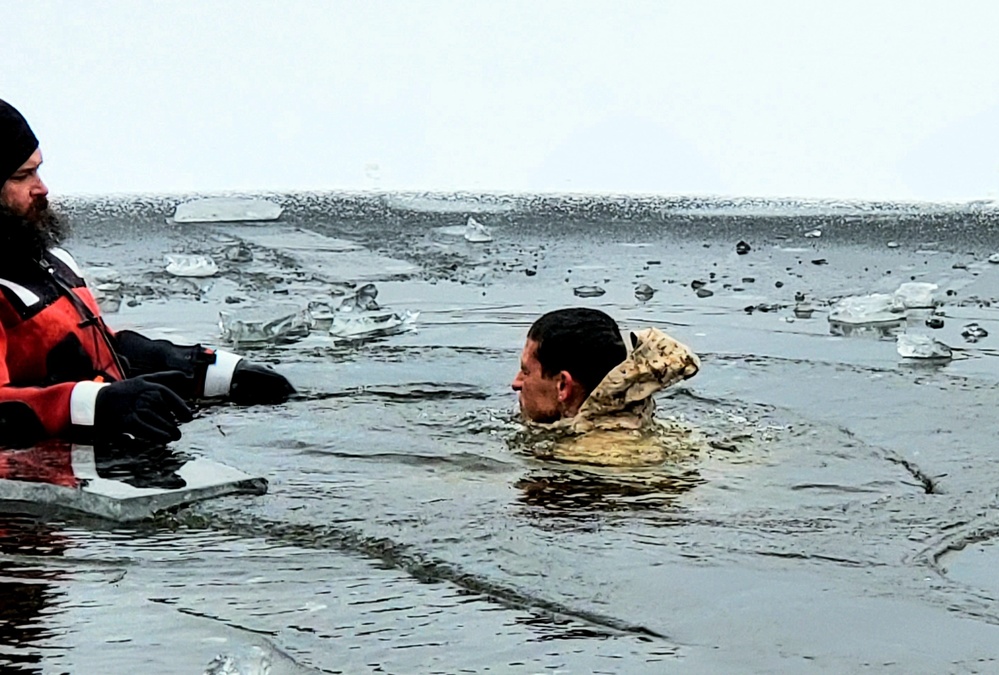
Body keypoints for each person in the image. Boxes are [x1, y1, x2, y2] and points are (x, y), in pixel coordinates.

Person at [0, 99, 294, 448]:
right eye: (23, 176)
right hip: (38, 485)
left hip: (105, 453)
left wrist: (206, 371)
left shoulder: (49, 262)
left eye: (38, 170)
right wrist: (96, 404)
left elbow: (102, 351)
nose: (42, 187)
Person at [511, 307, 701, 465]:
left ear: (563, 386)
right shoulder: (676, 436)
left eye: (526, 372)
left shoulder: (576, 459)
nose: (516, 383)